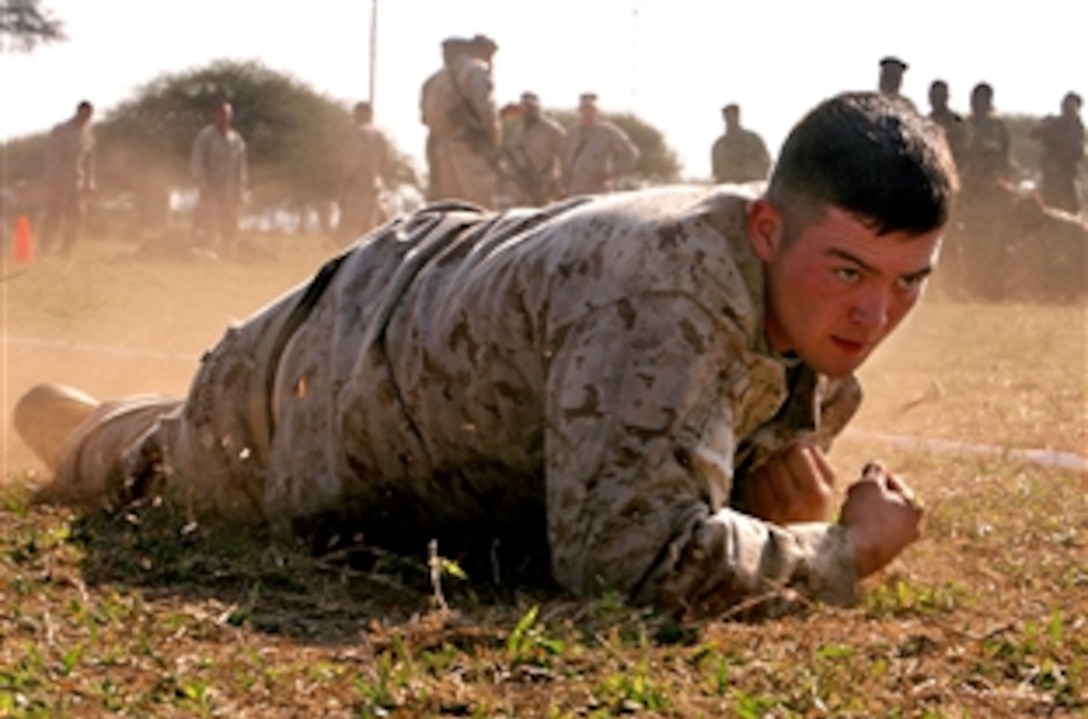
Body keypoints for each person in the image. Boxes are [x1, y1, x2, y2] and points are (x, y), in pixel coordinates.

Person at [14, 92, 955, 618]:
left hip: (413, 324)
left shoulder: (814, 344)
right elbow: (625, 561)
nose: (875, 311)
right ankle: (91, 428)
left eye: (909, 280)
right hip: (318, 386)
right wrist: (837, 550)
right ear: (764, 227)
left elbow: (657, 473)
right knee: (156, 465)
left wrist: (753, 487)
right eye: (847, 269)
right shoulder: (667, 298)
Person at [420, 34, 500, 208]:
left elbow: (425, 118)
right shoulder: (475, 70)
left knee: (453, 210)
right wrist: (494, 141)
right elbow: (485, 108)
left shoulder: (436, 79)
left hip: (442, 151)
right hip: (470, 148)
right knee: (480, 208)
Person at [39, 101, 96, 258]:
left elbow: (89, 160)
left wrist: (90, 182)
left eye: (90, 114)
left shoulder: (88, 133)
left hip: (76, 181)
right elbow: (52, 156)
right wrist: (54, 178)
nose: (87, 117)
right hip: (59, 180)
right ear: (78, 112)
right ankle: (45, 248)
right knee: (54, 215)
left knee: (78, 216)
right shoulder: (61, 131)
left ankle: (66, 250)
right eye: (84, 113)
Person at [190, 101, 249, 253]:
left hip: (230, 191)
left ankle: (228, 252)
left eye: (228, 114)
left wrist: (241, 189)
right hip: (211, 190)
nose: (225, 118)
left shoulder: (237, 140)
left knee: (231, 223)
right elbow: (198, 161)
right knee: (209, 223)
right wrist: (202, 184)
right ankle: (208, 253)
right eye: (222, 114)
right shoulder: (205, 137)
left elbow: (241, 167)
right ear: (215, 115)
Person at [560, 93, 640, 197]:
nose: (587, 113)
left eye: (591, 110)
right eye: (584, 109)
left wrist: (611, 174)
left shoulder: (607, 132)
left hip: (597, 191)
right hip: (573, 190)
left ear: (596, 112)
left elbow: (630, 153)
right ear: (579, 111)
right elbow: (563, 159)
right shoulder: (571, 133)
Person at [338, 101, 392, 243]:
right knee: (370, 227)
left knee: (352, 228)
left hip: (358, 185)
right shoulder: (381, 135)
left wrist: (345, 182)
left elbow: (352, 163)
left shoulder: (359, 133)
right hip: (375, 185)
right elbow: (386, 162)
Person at [501, 92, 566, 206]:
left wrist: (558, 183)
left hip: (544, 188)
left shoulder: (552, 130)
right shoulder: (517, 132)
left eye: (531, 107)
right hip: (520, 189)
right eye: (525, 107)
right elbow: (508, 157)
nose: (528, 111)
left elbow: (567, 157)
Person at [1030, 92, 1084, 214]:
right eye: (1066, 106)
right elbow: (1033, 133)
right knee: (1048, 209)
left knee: (1072, 210)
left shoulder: (1077, 128)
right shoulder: (1053, 122)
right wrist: (1055, 125)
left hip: (1068, 177)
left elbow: (1078, 152)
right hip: (1050, 176)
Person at [961, 83, 1012, 196]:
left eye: (980, 99)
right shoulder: (965, 124)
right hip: (967, 179)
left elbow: (1003, 152)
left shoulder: (996, 125)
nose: (975, 102)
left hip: (991, 180)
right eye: (974, 98)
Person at [710, 103, 772, 184]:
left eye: (733, 116)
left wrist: (746, 171)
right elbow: (716, 171)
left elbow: (765, 163)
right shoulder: (719, 145)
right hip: (728, 187)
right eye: (728, 116)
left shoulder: (753, 140)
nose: (731, 119)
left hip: (752, 186)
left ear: (738, 116)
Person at [927, 80, 968, 170]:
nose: (936, 99)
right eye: (933, 96)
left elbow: (964, 151)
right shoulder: (924, 123)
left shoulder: (957, 121)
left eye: (939, 96)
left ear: (946, 97)